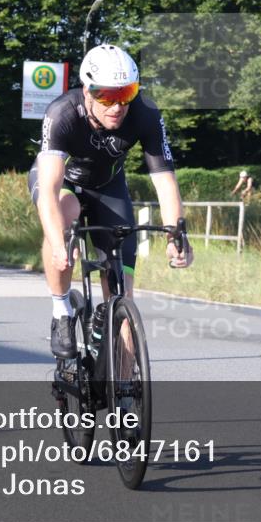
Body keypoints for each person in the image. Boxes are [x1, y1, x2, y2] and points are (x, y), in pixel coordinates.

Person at [28, 44, 193, 358]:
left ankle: (123, 377)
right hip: (64, 184)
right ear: (87, 91)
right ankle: (61, 311)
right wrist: (59, 243)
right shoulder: (62, 113)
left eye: (126, 93)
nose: (117, 106)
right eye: (105, 95)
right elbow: (48, 190)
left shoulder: (145, 113)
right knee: (66, 215)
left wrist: (176, 236)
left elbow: (165, 182)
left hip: (108, 186)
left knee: (122, 294)